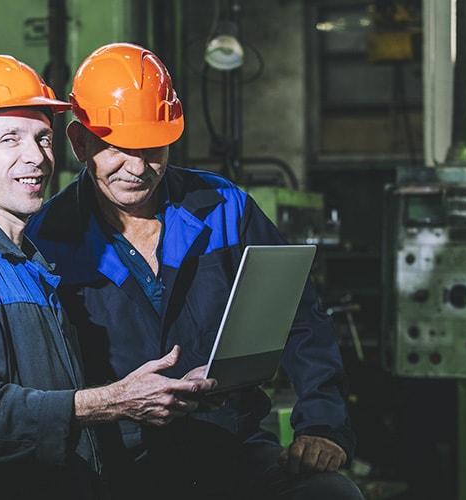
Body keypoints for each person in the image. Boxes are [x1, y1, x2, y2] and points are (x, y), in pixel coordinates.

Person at [25, 42, 364, 500]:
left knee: (331, 495)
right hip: (118, 467)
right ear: (80, 142)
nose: (138, 168)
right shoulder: (48, 240)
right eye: (119, 149)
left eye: (154, 149)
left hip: (230, 448)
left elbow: (300, 317)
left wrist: (324, 424)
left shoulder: (224, 207)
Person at [0, 54, 217, 500]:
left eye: (43, 139)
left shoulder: (30, 262)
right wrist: (110, 401)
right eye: (9, 139)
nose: (35, 157)